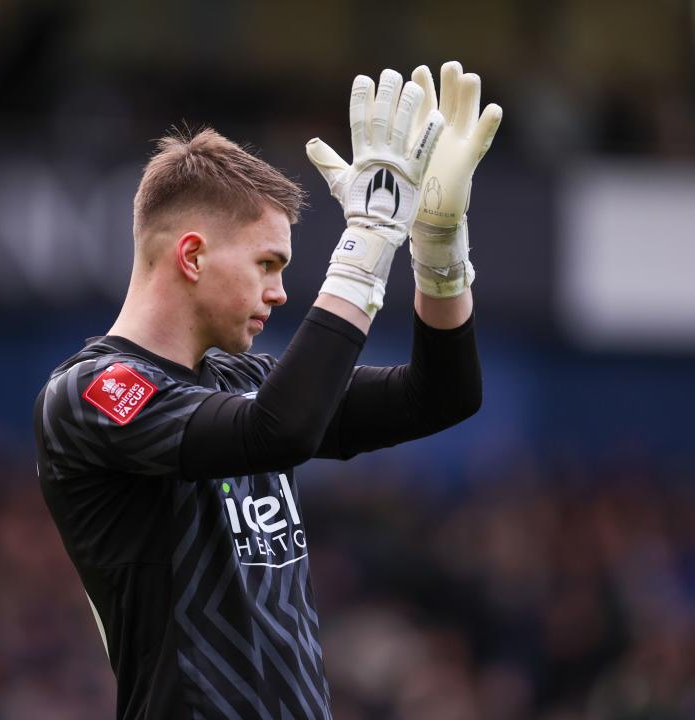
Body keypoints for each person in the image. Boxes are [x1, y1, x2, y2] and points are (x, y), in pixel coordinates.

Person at [33, 61, 502, 720]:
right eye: (267, 265)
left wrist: (437, 247)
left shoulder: (244, 380)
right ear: (192, 257)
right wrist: (367, 240)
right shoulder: (91, 394)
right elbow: (280, 431)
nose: (280, 292)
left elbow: (442, 395)